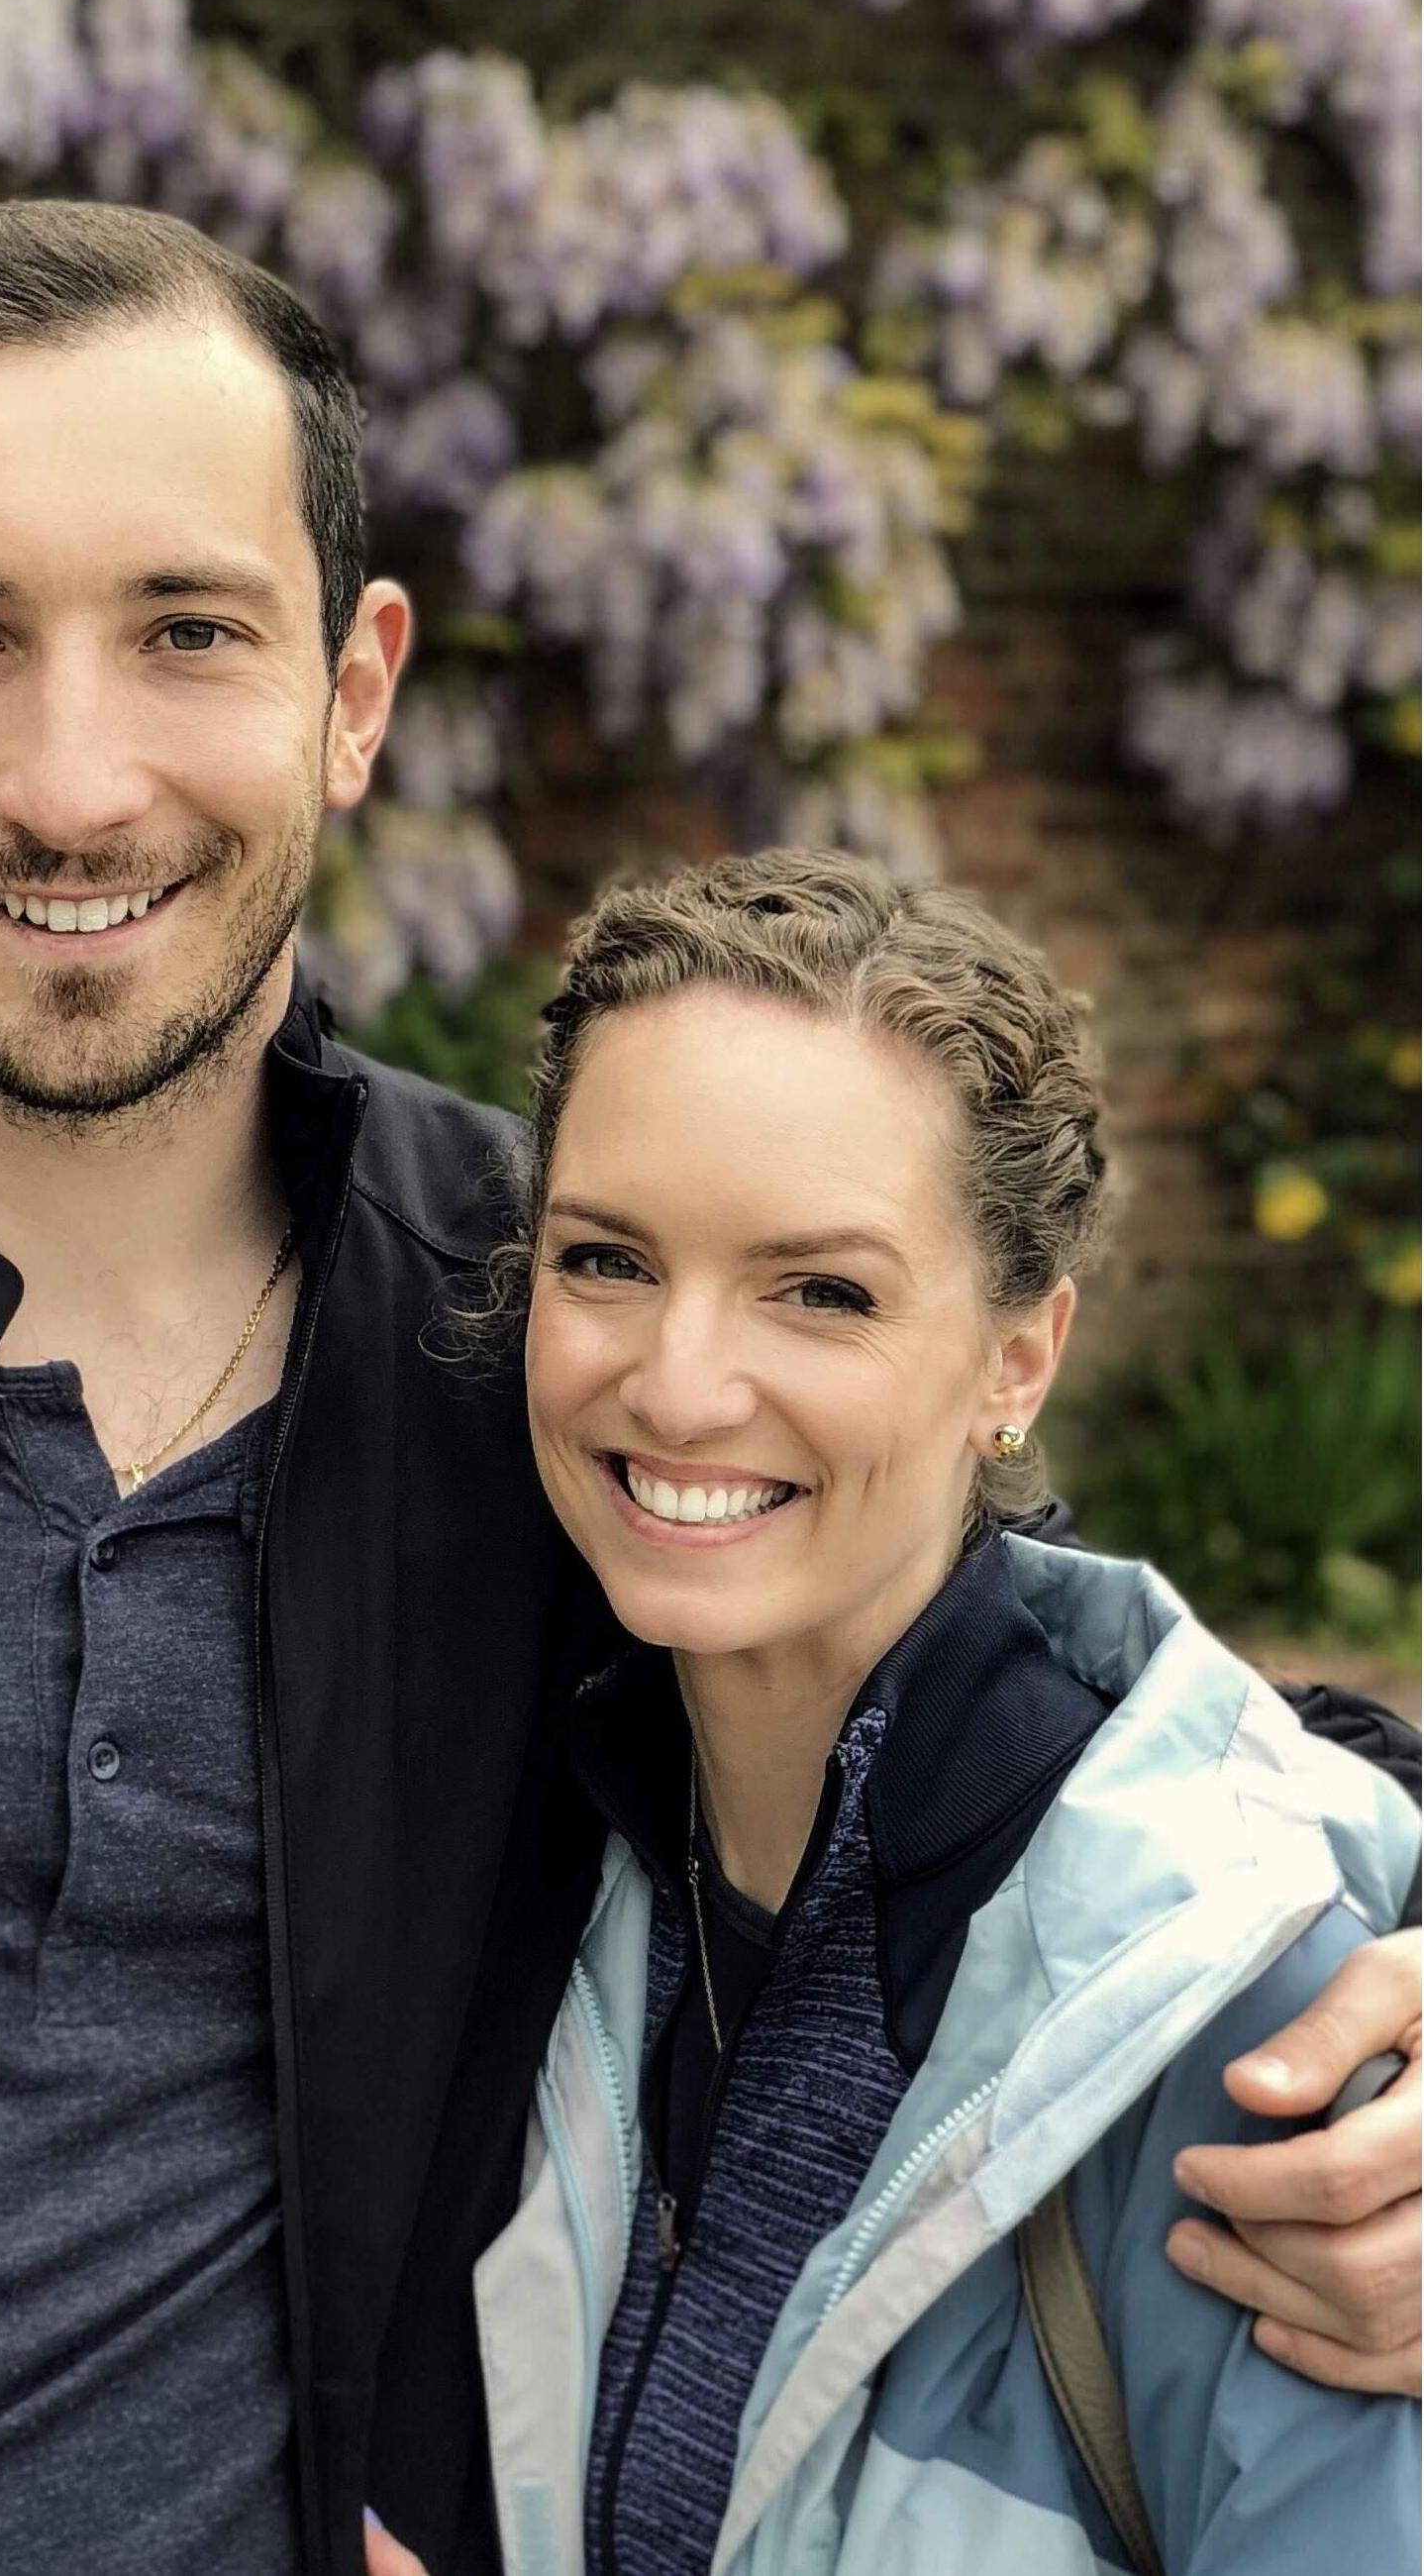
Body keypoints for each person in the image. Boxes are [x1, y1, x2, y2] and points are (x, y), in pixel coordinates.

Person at [0, 203, 1423, 2576]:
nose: (74, 785)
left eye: (188, 632)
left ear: (355, 688)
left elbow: (1038, 1733)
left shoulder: (575, 1350)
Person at [359, 854, 1421, 2576]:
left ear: (1020, 1359)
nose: (682, 1385)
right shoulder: (538, 1853)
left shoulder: (1262, 2030)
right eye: (609, 1260)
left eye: (823, 1291)